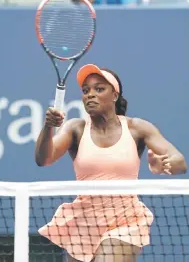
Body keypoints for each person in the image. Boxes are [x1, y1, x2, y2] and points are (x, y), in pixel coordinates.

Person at [35, 64, 187, 262]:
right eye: (86, 90)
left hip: (126, 220)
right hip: (85, 223)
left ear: (114, 95)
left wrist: (165, 164)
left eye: (99, 89)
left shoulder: (137, 128)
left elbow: (180, 162)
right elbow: (43, 159)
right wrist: (48, 127)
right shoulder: (76, 129)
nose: (90, 95)